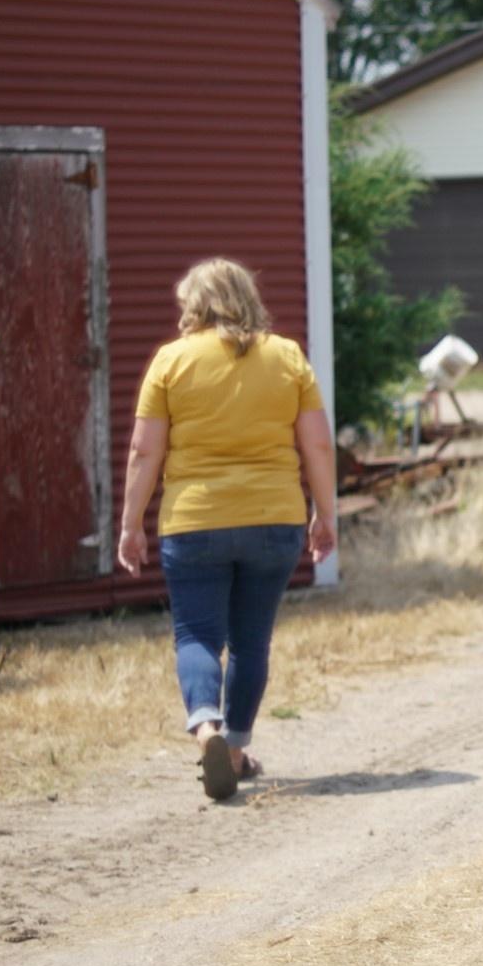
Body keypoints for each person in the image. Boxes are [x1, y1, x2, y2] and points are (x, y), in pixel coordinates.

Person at [116, 258, 339, 800]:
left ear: (195, 304)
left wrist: (130, 524)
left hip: (195, 521)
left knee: (196, 635)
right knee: (250, 640)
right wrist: (326, 514)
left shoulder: (171, 361)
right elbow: (318, 444)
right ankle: (235, 750)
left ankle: (206, 727)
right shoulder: (286, 355)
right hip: (275, 518)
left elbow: (145, 450)